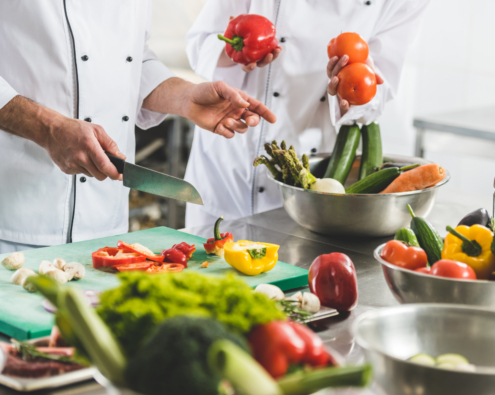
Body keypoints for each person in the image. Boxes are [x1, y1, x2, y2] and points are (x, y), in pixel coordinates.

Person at [0, 1, 275, 254]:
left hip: (106, 225)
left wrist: (184, 97)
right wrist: (47, 128)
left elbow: (132, 58)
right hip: (12, 215)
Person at [184, 0, 429, 228]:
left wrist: (350, 99)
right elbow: (200, 44)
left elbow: (378, 90)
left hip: (307, 181)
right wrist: (238, 52)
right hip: (228, 161)